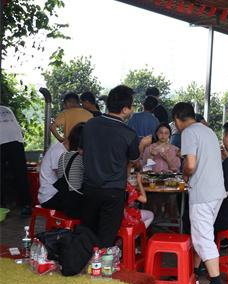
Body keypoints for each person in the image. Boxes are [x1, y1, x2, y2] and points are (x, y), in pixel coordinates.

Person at [80, 85, 152, 248]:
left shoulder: (90, 125)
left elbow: (81, 151)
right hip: (113, 191)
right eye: (132, 105)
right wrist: (142, 144)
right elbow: (135, 161)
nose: (132, 109)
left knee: (88, 231)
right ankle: (100, 267)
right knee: (106, 236)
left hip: (89, 187)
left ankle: (82, 261)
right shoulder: (128, 133)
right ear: (125, 109)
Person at [172, 102, 227, 284]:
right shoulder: (207, 130)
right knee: (203, 234)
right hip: (216, 191)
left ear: (178, 119)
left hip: (202, 192)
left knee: (203, 238)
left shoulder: (187, 133)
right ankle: (194, 272)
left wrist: (185, 175)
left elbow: (191, 164)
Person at [38, 123, 85, 218]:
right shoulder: (59, 152)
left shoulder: (65, 150)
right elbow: (65, 180)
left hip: (59, 193)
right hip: (50, 197)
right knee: (88, 203)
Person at [0, 105, 31, 215]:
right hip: (16, 142)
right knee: (20, 174)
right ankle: (26, 205)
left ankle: (3, 205)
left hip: (4, 142)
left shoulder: (6, 109)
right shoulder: (7, 109)